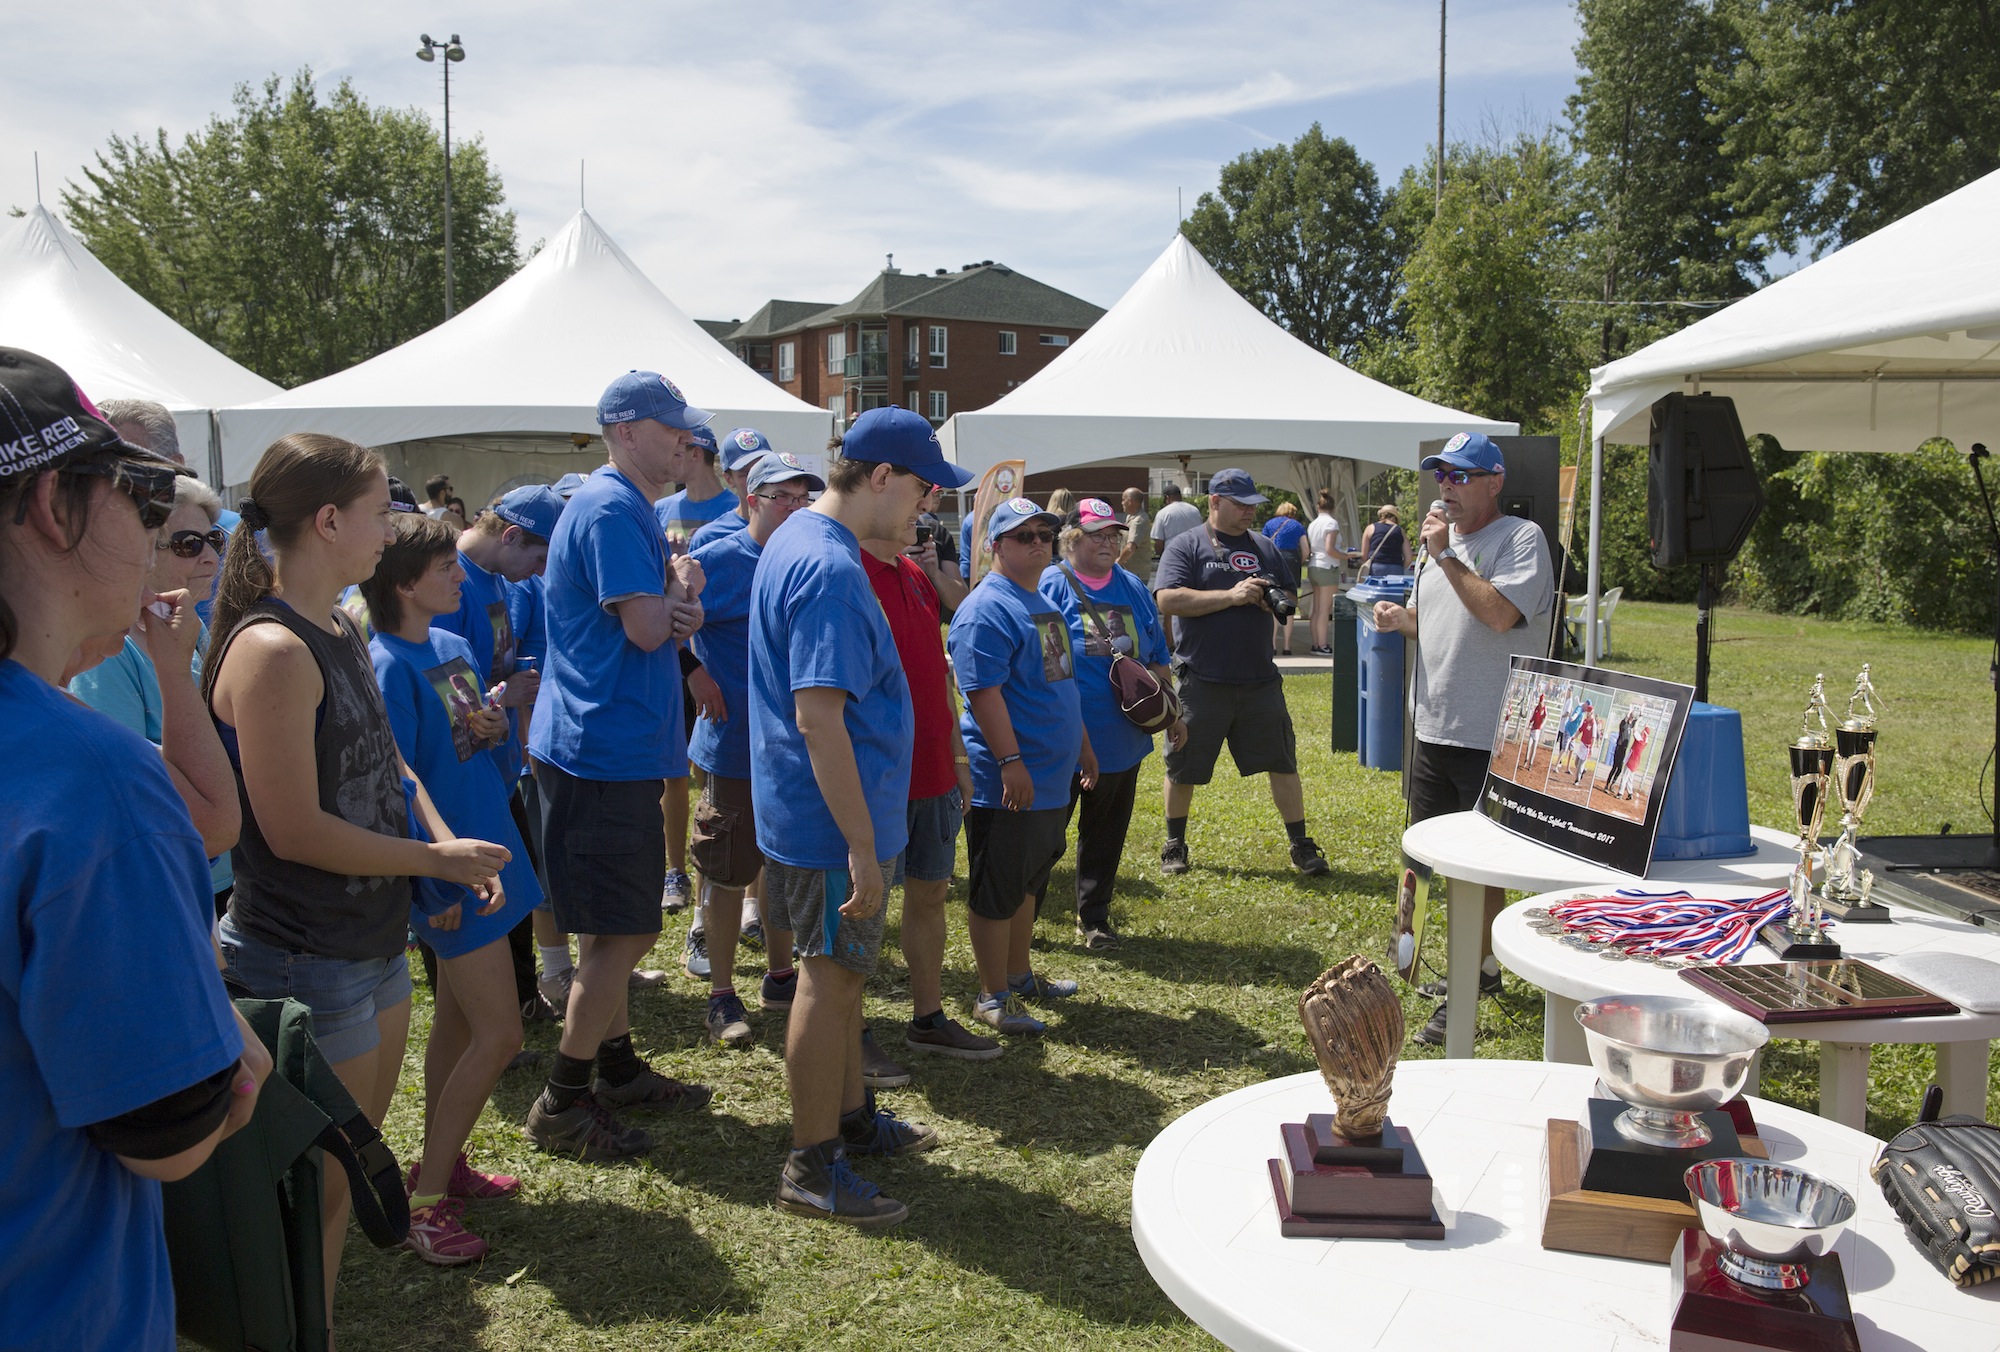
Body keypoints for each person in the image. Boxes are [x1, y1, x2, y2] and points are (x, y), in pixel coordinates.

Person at [203, 432, 509, 1321]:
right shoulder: (273, 649)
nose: (395, 529)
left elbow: (391, 768)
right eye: (381, 513)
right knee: (312, 1195)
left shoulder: (341, 624)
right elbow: (294, 830)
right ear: (329, 520)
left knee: (342, 1177)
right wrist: (431, 860)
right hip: (305, 958)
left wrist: (442, 847)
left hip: (367, 943)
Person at [0, 348, 268, 1350]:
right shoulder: (92, 777)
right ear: (49, 505)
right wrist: (227, 1047)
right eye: (145, 496)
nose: (163, 536)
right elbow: (175, 1129)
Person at [751, 405, 959, 1228]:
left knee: (841, 983)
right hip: (831, 825)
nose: (924, 509)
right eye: (919, 490)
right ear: (880, 478)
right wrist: (863, 846)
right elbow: (819, 717)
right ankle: (810, 1167)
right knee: (827, 983)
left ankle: (847, 1120)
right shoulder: (832, 570)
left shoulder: (801, 539)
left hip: (819, 814)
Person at [525, 370, 715, 1161]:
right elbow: (647, 631)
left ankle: (618, 1067)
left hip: (607, 744)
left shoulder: (622, 505)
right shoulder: (609, 507)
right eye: (673, 429)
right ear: (627, 430)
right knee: (627, 932)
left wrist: (677, 600)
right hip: (599, 750)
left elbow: (664, 624)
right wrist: (674, 600)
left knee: (614, 926)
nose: (687, 442)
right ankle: (562, 1103)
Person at [362, 513, 539, 1264]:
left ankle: (444, 1163)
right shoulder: (384, 665)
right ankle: (424, 1204)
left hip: (492, 854)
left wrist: (494, 725)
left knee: (460, 1028)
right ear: (404, 583)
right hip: (451, 874)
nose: (462, 578)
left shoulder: (451, 645)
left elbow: (473, 739)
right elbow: (393, 786)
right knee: (501, 1034)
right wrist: (429, 879)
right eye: (445, 569)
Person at [1370, 432, 1554, 1046]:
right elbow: (1453, 621)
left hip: (1490, 735)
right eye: (1441, 476)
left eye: (1461, 476)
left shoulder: (1519, 540)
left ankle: (1474, 980)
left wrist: (1447, 556)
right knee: (1429, 857)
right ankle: (1437, 962)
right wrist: (1405, 622)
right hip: (1435, 727)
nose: (1447, 486)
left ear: (1494, 482)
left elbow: (1500, 615)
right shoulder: (1436, 547)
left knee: (1481, 869)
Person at [858, 486, 1001, 1068]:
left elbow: (936, 677)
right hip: (877, 777)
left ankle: (928, 1017)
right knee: (861, 906)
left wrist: (957, 759)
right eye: (917, 502)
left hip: (934, 772)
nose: (925, 517)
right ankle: (851, 1027)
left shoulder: (916, 578)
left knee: (930, 894)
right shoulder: (846, 575)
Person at [684, 453, 820, 1048]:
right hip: (734, 742)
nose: (793, 506)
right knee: (726, 868)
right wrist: (694, 671)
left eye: (801, 496)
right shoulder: (716, 560)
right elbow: (665, 616)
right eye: (780, 496)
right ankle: (719, 994)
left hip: (793, 748)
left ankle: (780, 974)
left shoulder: (810, 560)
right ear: (750, 501)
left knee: (781, 866)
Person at [950, 497, 1097, 1036]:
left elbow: (1061, 681)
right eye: (1023, 536)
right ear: (996, 545)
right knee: (997, 888)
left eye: (1045, 533)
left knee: (1028, 882)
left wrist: (1081, 745)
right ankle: (992, 996)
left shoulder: (1042, 602)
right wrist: (1010, 761)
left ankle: (1019, 975)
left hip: (1051, 776)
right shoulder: (987, 607)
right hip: (1008, 781)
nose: (1038, 543)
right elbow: (982, 693)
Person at [69, 473, 239, 912]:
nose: (209, 557)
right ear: (144, 554)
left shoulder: (185, 627)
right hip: (166, 874)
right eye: (188, 543)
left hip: (216, 871)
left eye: (213, 540)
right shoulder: (107, 651)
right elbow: (129, 794)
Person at [1152, 468, 1331, 877]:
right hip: (1201, 678)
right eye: (1241, 504)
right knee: (1183, 766)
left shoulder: (1265, 546)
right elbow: (1168, 599)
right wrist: (1231, 596)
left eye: (1253, 505)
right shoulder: (1187, 545)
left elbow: (1289, 594)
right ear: (1214, 502)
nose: (1250, 511)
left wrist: (1273, 599)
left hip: (1259, 680)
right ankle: (1174, 844)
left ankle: (1301, 845)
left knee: (1283, 762)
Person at [1040, 499, 1185, 948]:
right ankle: (1020, 914)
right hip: (1062, 738)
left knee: (1104, 835)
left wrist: (1172, 712)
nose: (1107, 542)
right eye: (1097, 534)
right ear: (1072, 538)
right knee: (1044, 837)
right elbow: (1045, 665)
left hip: (1120, 739)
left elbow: (1156, 655)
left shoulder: (1133, 587)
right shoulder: (1050, 584)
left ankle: (1094, 918)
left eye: (1113, 535)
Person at [687, 427, 773, 550]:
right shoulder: (710, 537)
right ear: (729, 479)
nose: (756, 479)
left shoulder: (789, 527)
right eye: (745, 474)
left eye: (762, 469)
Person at [1305, 489, 1357, 656]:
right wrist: (1347, 555)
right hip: (1327, 567)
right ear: (1333, 508)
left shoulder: (1313, 524)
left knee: (1316, 608)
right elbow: (1330, 549)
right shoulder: (1332, 524)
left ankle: (1316, 643)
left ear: (1318, 507)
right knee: (1324, 610)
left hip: (1314, 566)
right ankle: (1322, 644)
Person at [1261, 502, 1309, 656]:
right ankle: (1287, 646)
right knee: (1289, 602)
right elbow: (1306, 550)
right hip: (1292, 560)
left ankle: (1273, 644)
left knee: (1274, 601)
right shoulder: (1297, 526)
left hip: (1273, 560)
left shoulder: (1269, 524)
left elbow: (1262, 544)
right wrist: (1298, 562)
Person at [1358, 504, 1411, 578]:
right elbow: (1408, 559)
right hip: (1396, 567)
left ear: (1381, 516)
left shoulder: (1370, 528)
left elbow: (1364, 555)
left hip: (1376, 567)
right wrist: (1399, 567)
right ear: (1394, 517)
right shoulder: (1400, 531)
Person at [1117, 486, 1154, 584]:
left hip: (1136, 574)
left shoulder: (1138, 521)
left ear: (1130, 501)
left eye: (1123, 500)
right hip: (1130, 571)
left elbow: (1130, 547)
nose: (1122, 503)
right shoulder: (1131, 517)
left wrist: (1117, 562)